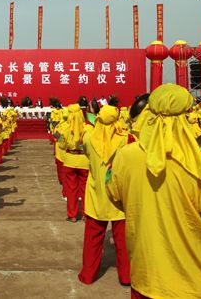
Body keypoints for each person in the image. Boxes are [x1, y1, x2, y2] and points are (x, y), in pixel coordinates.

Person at [106, 84, 201, 298]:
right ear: (185, 118)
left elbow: (115, 196)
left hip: (145, 278)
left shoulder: (125, 156)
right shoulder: (200, 166)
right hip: (190, 284)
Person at [78, 105, 131, 286]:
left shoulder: (87, 138)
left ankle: (88, 275)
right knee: (123, 242)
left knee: (92, 240)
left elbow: (87, 155)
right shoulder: (126, 140)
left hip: (96, 194)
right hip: (120, 197)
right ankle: (126, 276)